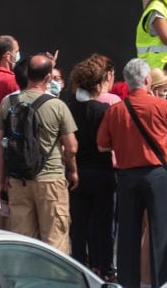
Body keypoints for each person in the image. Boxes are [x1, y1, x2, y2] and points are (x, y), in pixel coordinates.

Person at [98, 58, 167, 288]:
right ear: (146, 80)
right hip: (156, 174)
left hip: (126, 176)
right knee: (160, 234)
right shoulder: (161, 106)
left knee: (128, 234)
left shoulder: (115, 111)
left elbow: (102, 145)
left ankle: (128, 283)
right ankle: (161, 283)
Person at [0, 53, 78, 252]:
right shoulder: (57, 105)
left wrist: (1, 181)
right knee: (54, 241)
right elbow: (72, 147)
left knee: (23, 243)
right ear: (48, 78)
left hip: (18, 180)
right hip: (51, 180)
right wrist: (73, 171)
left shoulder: (9, 103)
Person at [65, 58, 115, 278]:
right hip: (103, 173)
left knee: (78, 225)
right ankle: (102, 267)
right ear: (97, 85)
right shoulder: (103, 109)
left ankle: (78, 266)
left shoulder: (68, 108)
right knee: (102, 224)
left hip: (77, 172)